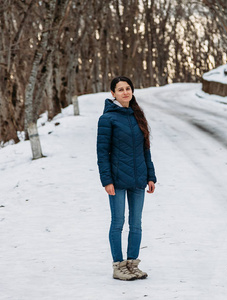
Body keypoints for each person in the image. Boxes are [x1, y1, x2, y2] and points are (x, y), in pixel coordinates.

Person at [97, 76, 157, 281]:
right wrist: (107, 181)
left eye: (128, 88)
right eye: (120, 89)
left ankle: (132, 264)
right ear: (112, 93)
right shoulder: (107, 119)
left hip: (139, 179)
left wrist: (151, 175)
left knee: (136, 223)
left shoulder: (137, 115)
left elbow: (145, 150)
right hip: (117, 180)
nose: (125, 92)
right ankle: (118, 266)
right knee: (117, 223)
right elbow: (102, 153)